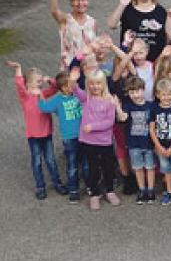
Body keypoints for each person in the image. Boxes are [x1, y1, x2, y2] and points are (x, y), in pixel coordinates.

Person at [8, 60, 63, 199]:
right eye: (37, 81)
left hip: (46, 133)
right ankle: (40, 186)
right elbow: (19, 85)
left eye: (40, 81)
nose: (40, 83)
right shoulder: (25, 97)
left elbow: (57, 87)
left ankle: (57, 183)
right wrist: (18, 68)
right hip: (33, 135)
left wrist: (49, 80)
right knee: (37, 161)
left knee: (50, 160)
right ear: (29, 83)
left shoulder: (44, 93)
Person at [72, 69, 120, 210]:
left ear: (104, 84)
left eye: (98, 83)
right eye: (92, 84)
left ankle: (110, 191)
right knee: (93, 169)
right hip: (89, 141)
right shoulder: (86, 98)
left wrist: (92, 126)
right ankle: (94, 193)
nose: (95, 87)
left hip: (105, 141)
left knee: (108, 167)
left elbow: (109, 122)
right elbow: (75, 90)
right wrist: (73, 80)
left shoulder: (109, 100)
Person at [39, 70, 84, 202]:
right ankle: (73, 190)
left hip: (84, 135)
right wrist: (40, 95)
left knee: (86, 162)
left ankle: (89, 186)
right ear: (64, 88)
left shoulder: (77, 94)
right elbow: (44, 108)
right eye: (70, 85)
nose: (73, 87)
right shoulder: (58, 100)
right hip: (69, 137)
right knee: (72, 164)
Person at [106, 0, 171, 62]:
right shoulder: (127, 9)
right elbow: (111, 25)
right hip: (131, 61)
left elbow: (167, 36)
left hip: (156, 61)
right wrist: (122, 4)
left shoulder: (161, 11)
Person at [115, 76, 155, 204]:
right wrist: (117, 106)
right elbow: (122, 118)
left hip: (148, 143)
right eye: (132, 92)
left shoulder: (151, 105)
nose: (135, 95)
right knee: (138, 168)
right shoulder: (128, 105)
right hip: (133, 144)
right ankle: (142, 190)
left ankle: (151, 190)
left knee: (150, 167)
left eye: (137, 91)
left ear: (143, 90)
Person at [49, 0, 98, 70]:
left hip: (89, 68)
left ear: (88, 1)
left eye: (83, 0)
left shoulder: (93, 22)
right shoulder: (66, 19)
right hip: (70, 68)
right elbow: (54, 11)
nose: (80, 3)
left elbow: (94, 46)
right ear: (71, 2)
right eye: (76, 0)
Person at [150, 79, 171, 206]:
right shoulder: (154, 108)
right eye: (163, 94)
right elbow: (152, 128)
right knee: (166, 169)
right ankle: (169, 191)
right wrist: (158, 146)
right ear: (158, 95)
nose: (166, 97)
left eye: (169, 94)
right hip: (160, 145)